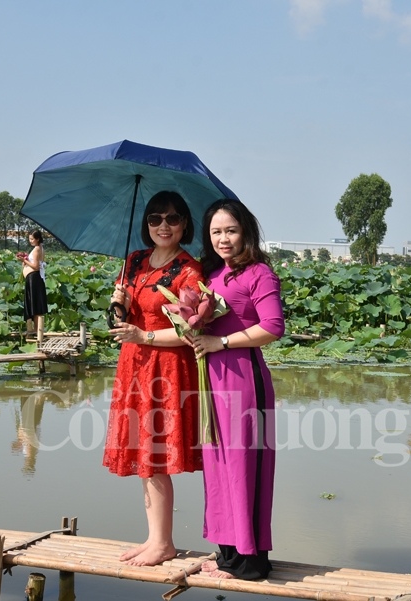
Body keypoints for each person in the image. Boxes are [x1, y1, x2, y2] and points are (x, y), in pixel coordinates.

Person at [102, 191, 204, 566]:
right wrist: (117, 303)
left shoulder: (190, 270)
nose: (163, 225)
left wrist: (141, 335)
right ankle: (154, 537)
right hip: (133, 362)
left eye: (173, 219)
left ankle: (163, 543)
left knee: (155, 452)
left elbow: (189, 330)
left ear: (184, 225)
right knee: (143, 453)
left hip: (165, 365)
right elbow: (124, 299)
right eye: (155, 219)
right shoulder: (135, 261)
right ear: (146, 224)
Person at [185, 198, 285, 580]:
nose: (223, 239)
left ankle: (251, 561)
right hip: (211, 380)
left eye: (230, 230)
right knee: (219, 465)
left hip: (245, 379)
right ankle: (228, 552)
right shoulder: (209, 276)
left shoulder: (259, 273)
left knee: (246, 465)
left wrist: (221, 344)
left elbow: (273, 327)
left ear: (245, 231)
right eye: (215, 232)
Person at [20, 230, 48, 336]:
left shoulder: (37, 249)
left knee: (34, 304)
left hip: (34, 279)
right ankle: (36, 328)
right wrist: (26, 261)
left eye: (32, 239)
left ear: (38, 239)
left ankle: (36, 329)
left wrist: (24, 260)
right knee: (35, 303)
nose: (30, 241)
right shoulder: (40, 248)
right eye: (29, 239)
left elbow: (36, 266)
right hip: (34, 278)